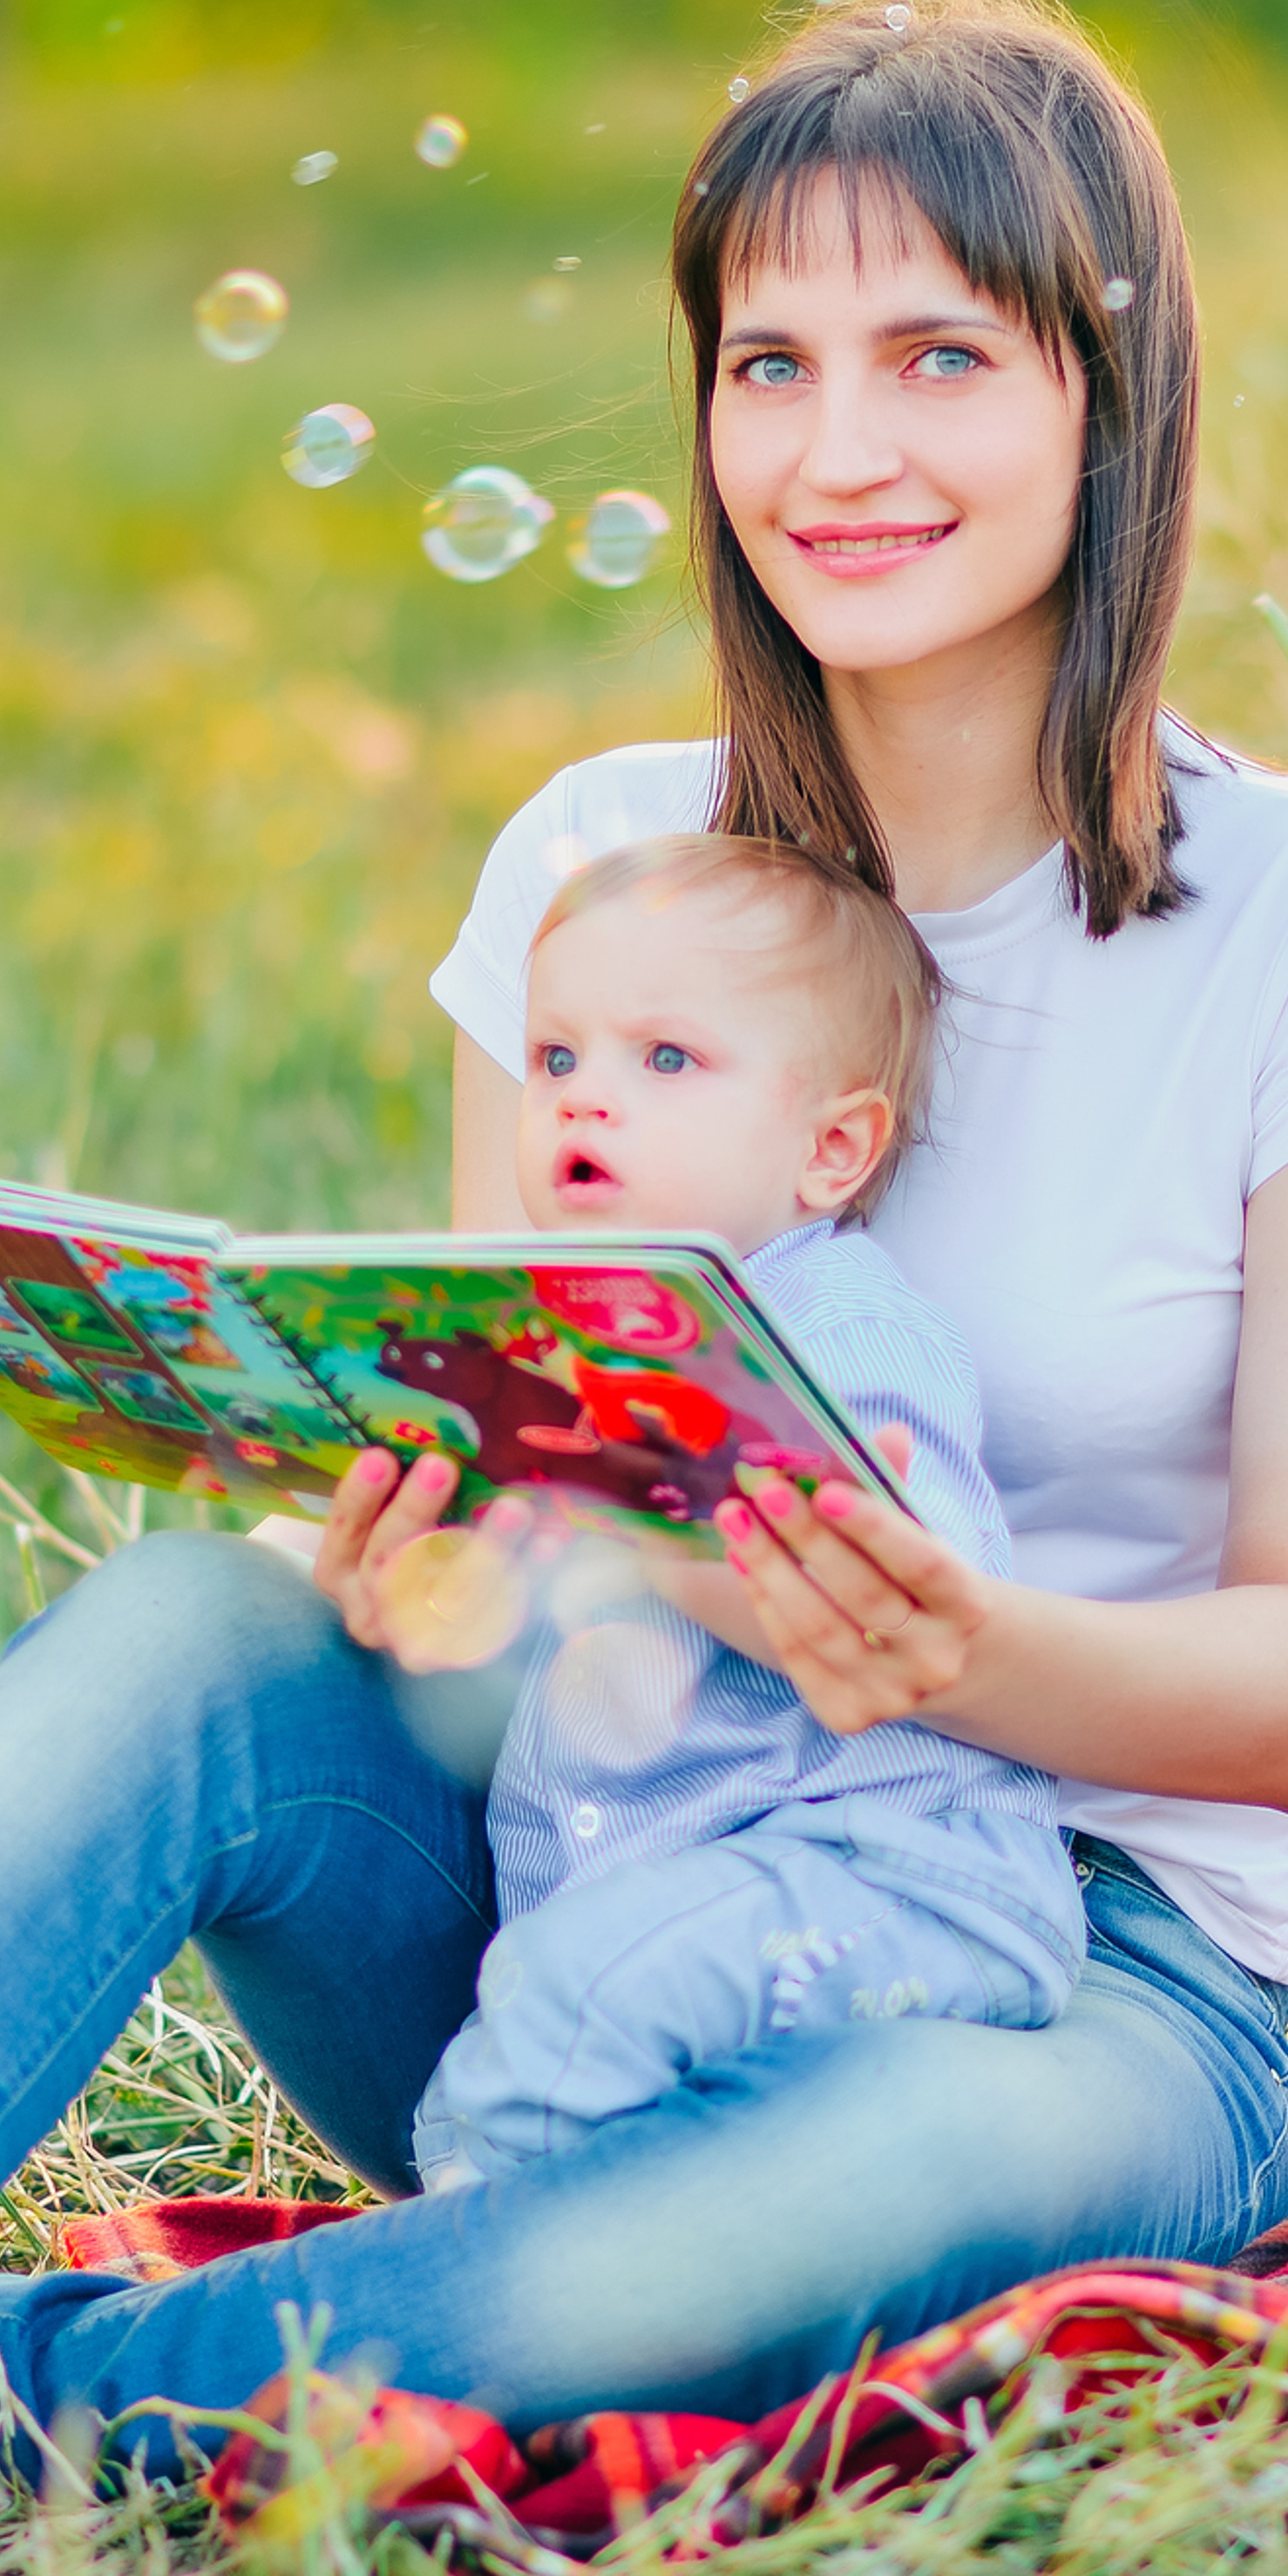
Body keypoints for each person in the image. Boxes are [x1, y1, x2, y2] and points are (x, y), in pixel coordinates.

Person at [0, 0, 1288, 2491]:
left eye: (941, 355)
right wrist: (419, 1573)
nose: (842, 446)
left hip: (1074, 2002)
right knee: (204, 1622)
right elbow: (527, 1536)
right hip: (599, 1905)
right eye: (769, 362)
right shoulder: (598, 883)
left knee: (841, 2188)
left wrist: (952, 1649)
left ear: (1105, 386)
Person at [404, 831, 1082, 2195]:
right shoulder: (565, 1351)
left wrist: (615, 1492)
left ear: (832, 1149)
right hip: (675, 1907)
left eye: (665, 1062)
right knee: (561, 2044)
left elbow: (896, 1611)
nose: (586, 1103)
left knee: (565, 2013)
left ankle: (441, 2319)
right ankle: (514, 2288)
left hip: (895, 1878)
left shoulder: (835, 1334)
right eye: (556, 1061)